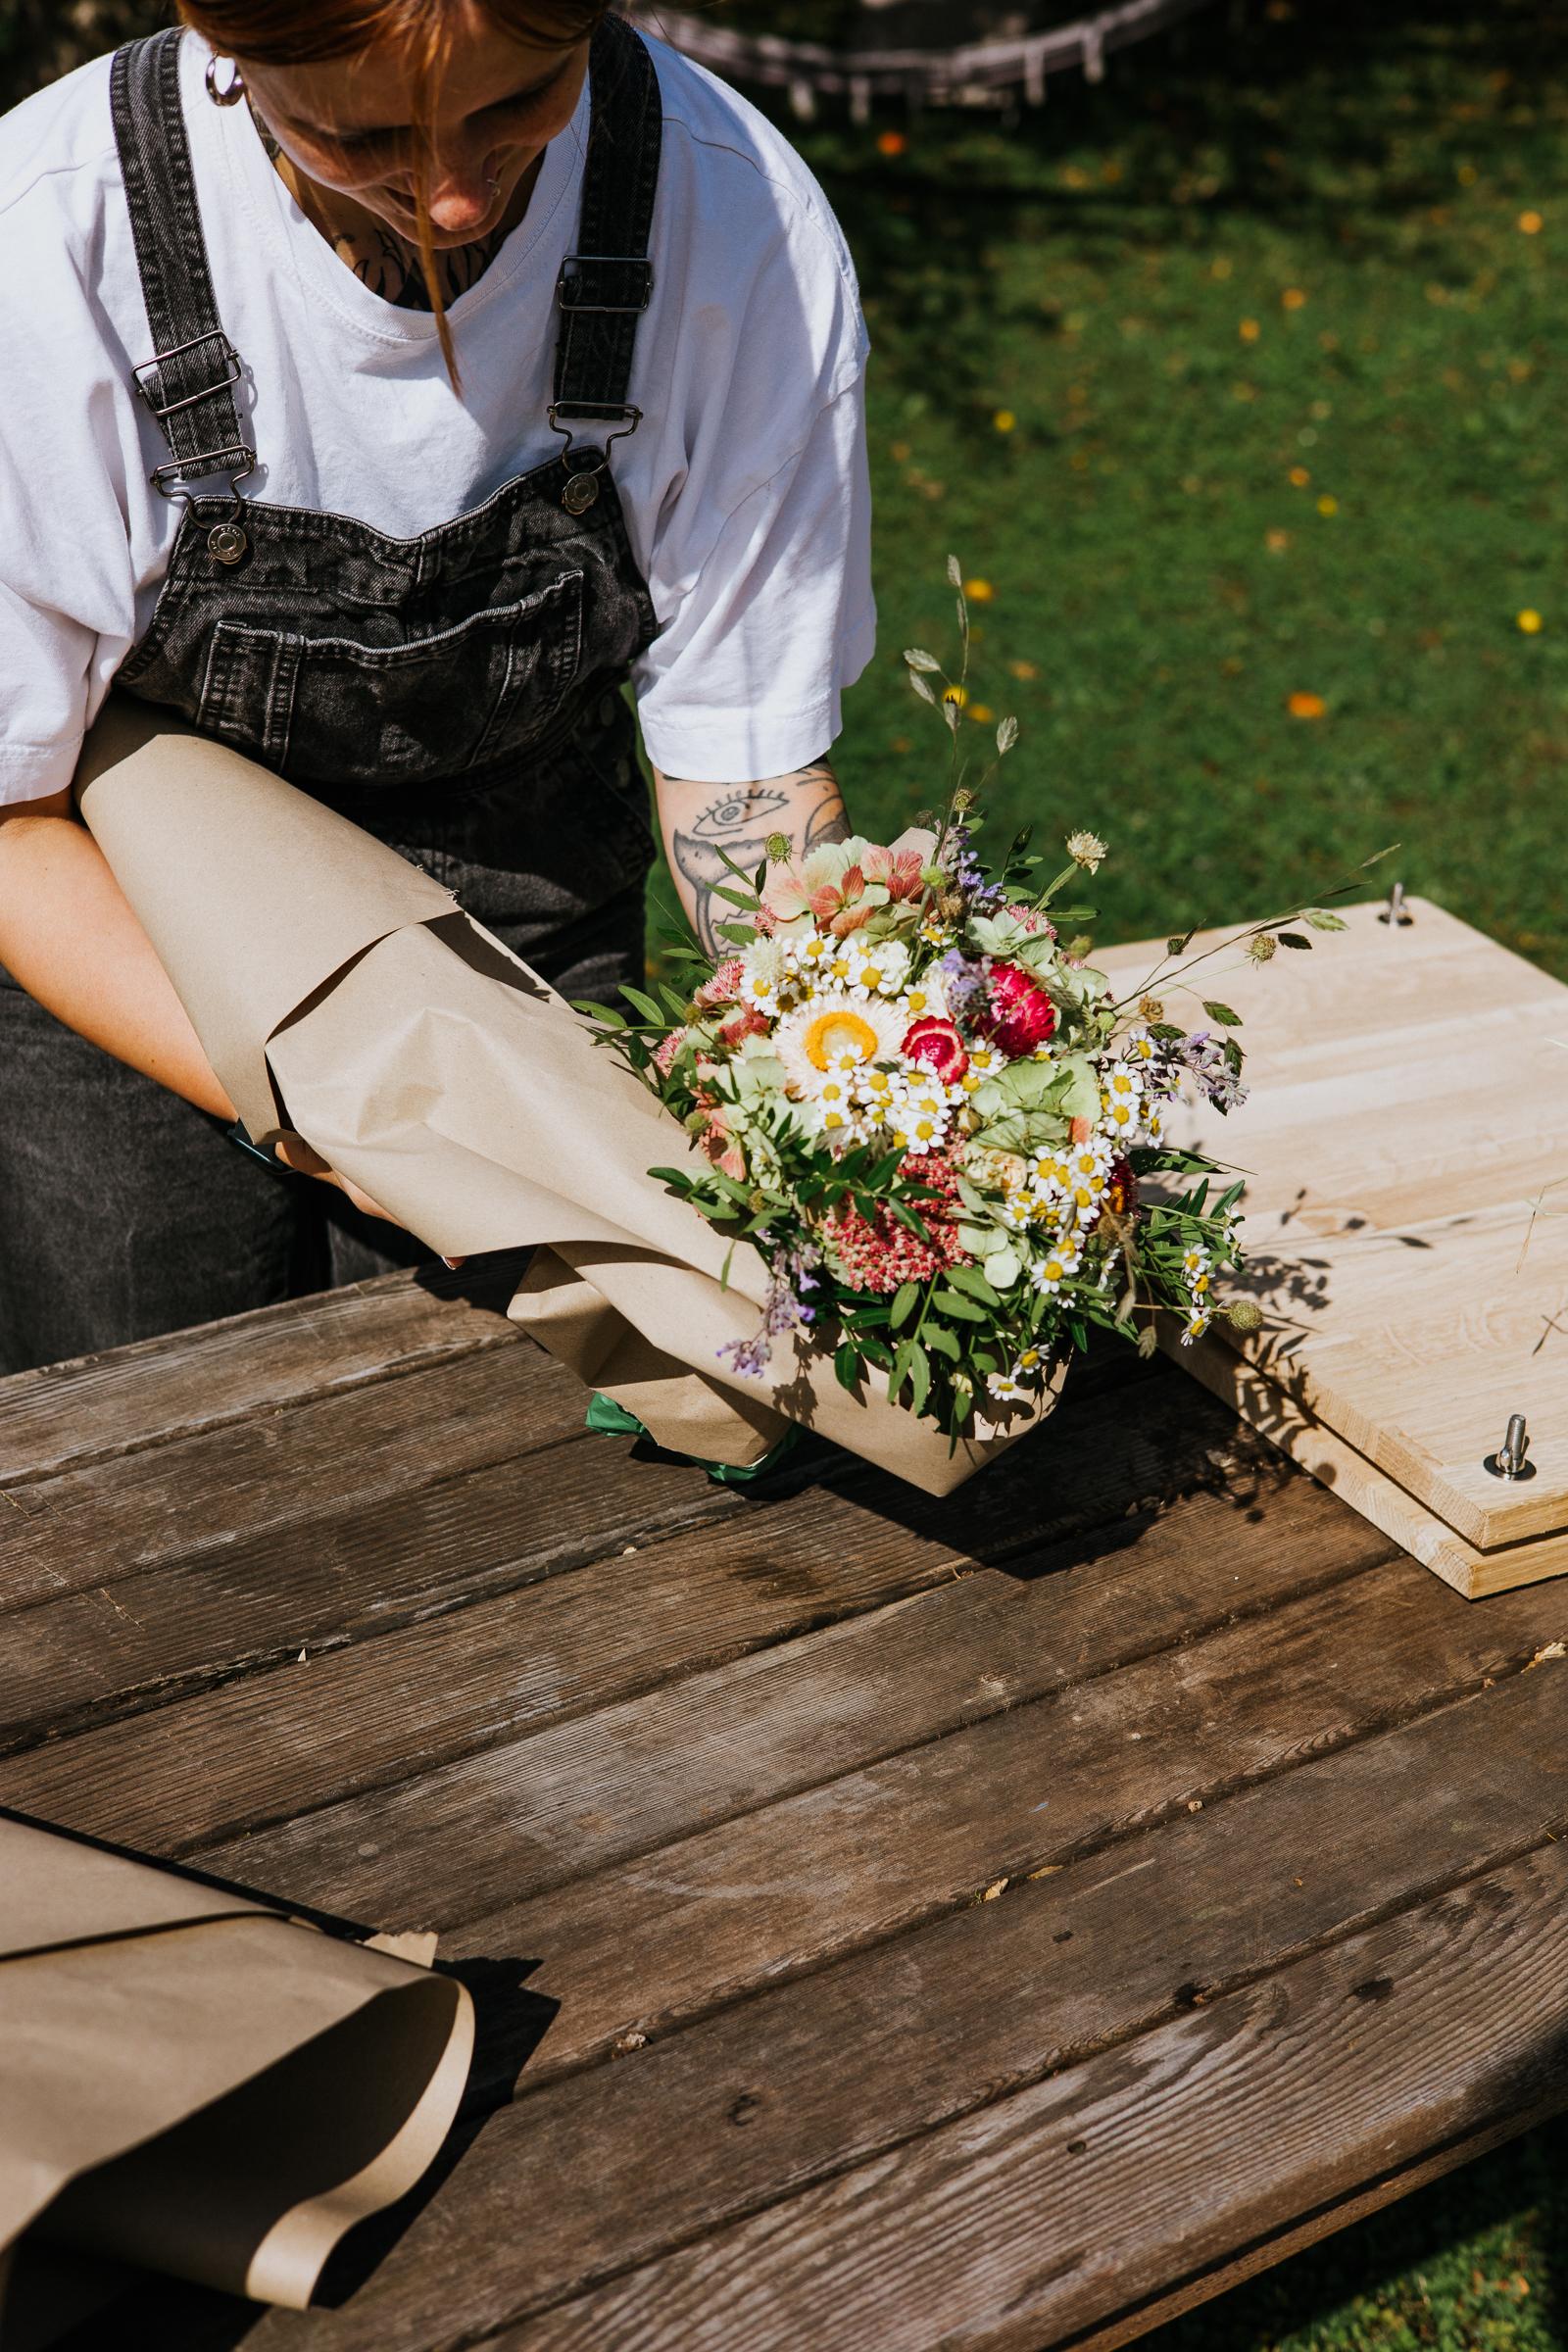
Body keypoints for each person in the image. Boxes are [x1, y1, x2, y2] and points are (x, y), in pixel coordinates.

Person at [0, 0, 873, 1375]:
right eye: (356, 131)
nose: (458, 198)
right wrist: (339, 1113)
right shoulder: (52, 240)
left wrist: (841, 1053)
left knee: (532, 1454)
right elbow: (9, 825)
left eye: (521, 103)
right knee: (157, 1444)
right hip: (128, 948)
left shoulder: (727, 214)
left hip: (524, 932)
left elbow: (743, 764)